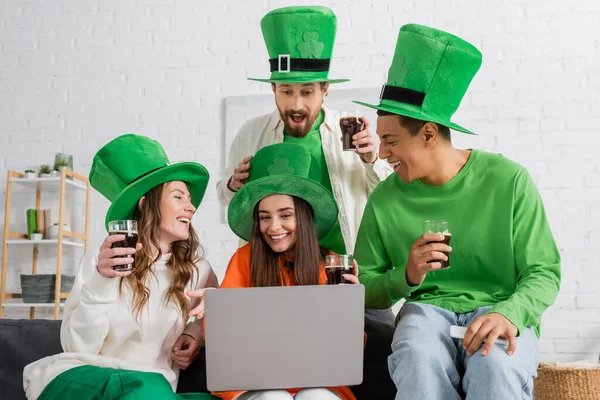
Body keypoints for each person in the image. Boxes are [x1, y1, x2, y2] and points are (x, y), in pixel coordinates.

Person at [352, 24, 561, 399]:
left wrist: (510, 313)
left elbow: (543, 271)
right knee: (417, 356)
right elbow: (364, 286)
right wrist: (407, 275)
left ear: (429, 134)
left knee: (495, 366)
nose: (382, 154)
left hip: (500, 307)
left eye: (391, 140)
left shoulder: (507, 180)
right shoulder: (385, 198)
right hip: (427, 313)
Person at [22, 134, 219, 400]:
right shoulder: (101, 260)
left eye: (189, 198)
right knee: (147, 387)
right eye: (178, 197)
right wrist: (102, 280)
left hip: (151, 389)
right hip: (86, 377)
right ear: (145, 203)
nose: (191, 207)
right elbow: (78, 346)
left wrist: (195, 332)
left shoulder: (198, 270)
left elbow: (211, 315)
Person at [216, 5, 392, 255]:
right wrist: (234, 185)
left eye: (308, 92)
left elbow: (388, 194)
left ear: (325, 89)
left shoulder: (349, 130)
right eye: (286, 91)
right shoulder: (251, 132)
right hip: (274, 267)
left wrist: (372, 160)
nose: (296, 105)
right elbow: (226, 198)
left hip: (341, 265)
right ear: (273, 89)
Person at [191, 143, 359, 400]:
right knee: (273, 397)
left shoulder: (331, 264)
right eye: (264, 217)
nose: (273, 227)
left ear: (302, 217)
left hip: (320, 381)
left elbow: (347, 349)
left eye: (285, 215)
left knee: (316, 397)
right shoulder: (244, 258)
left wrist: (350, 307)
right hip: (252, 381)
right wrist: (215, 309)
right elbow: (223, 338)